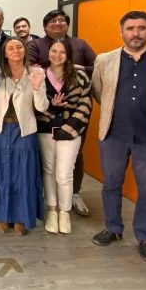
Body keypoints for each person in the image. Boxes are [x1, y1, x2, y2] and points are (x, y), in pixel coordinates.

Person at [90, 11, 146, 263]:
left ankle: (144, 236)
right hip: (113, 134)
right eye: (130, 28)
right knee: (111, 184)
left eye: (141, 28)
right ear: (121, 31)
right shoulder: (104, 60)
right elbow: (98, 92)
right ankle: (113, 228)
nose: (136, 33)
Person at [27, 9, 97, 217]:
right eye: (52, 20)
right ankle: (50, 203)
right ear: (45, 25)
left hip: (74, 117)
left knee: (73, 159)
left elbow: (97, 66)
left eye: (61, 20)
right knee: (48, 166)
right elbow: (29, 68)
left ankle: (74, 194)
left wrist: (77, 68)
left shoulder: (80, 44)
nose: (57, 23)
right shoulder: (36, 45)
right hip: (45, 118)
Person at [0, 39, 48, 235]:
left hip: (24, 130)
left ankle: (21, 217)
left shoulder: (36, 73)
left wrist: (36, 87)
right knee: (0, 174)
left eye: (19, 47)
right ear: (4, 53)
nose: (15, 50)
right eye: (10, 48)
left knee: (23, 175)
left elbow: (42, 107)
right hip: (0, 130)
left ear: (25, 50)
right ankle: (2, 216)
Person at [37, 37, 92, 235]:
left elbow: (85, 104)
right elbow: (35, 104)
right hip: (46, 130)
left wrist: (70, 128)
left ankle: (65, 212)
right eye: (54, 51)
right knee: (49, 171)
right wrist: (52, 107)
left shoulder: (80, 75)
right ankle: (52, 210)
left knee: (64, 174)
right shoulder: (40, 75)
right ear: (48, 53)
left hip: (71, 131)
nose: (57, 55)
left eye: (62, 52)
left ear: (68, 55)